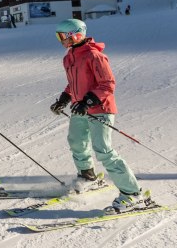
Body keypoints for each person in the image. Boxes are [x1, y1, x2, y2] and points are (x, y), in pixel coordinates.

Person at [49, 18, 148, 213]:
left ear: (75, 35)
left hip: (100, 108)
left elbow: (108, 84)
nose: (60, 40)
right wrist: (64, 99)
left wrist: (88, 101)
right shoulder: (69, 57)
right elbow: (73, 83)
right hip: (80, 108)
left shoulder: (95, 56)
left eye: (62, 36)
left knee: (103, 149)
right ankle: (88, 176)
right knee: (76, 141)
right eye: (58, 36)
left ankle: (133, 194)